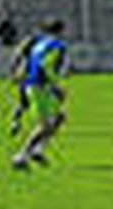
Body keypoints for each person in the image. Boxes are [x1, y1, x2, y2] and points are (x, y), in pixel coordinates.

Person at [11, 19, 69, 170]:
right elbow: (46, 66)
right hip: (40, 86)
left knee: (59, 117)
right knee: (45, 125)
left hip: (33, 84)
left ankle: (38, 150)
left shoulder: (39, 44)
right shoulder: (57, 46)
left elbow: (29, 60)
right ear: (61, 31)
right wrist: (56, 86)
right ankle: (21, 155)